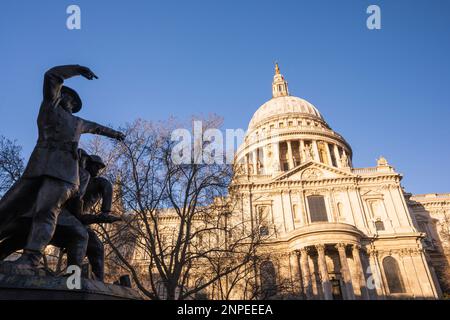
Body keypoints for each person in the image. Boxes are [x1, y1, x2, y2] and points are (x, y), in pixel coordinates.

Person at [0, 65, 125, 271]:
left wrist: (116, 134)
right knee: (8, 205)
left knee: (46, 212)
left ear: (72, 103)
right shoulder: (49, 108)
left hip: (65, 176)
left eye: (67, 96)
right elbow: (51, 76)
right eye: (62, 93)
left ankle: (31, 258)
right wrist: (76, 69)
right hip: (38, 168)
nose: (64, 97)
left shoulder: (78, 122)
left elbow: (98, 128)